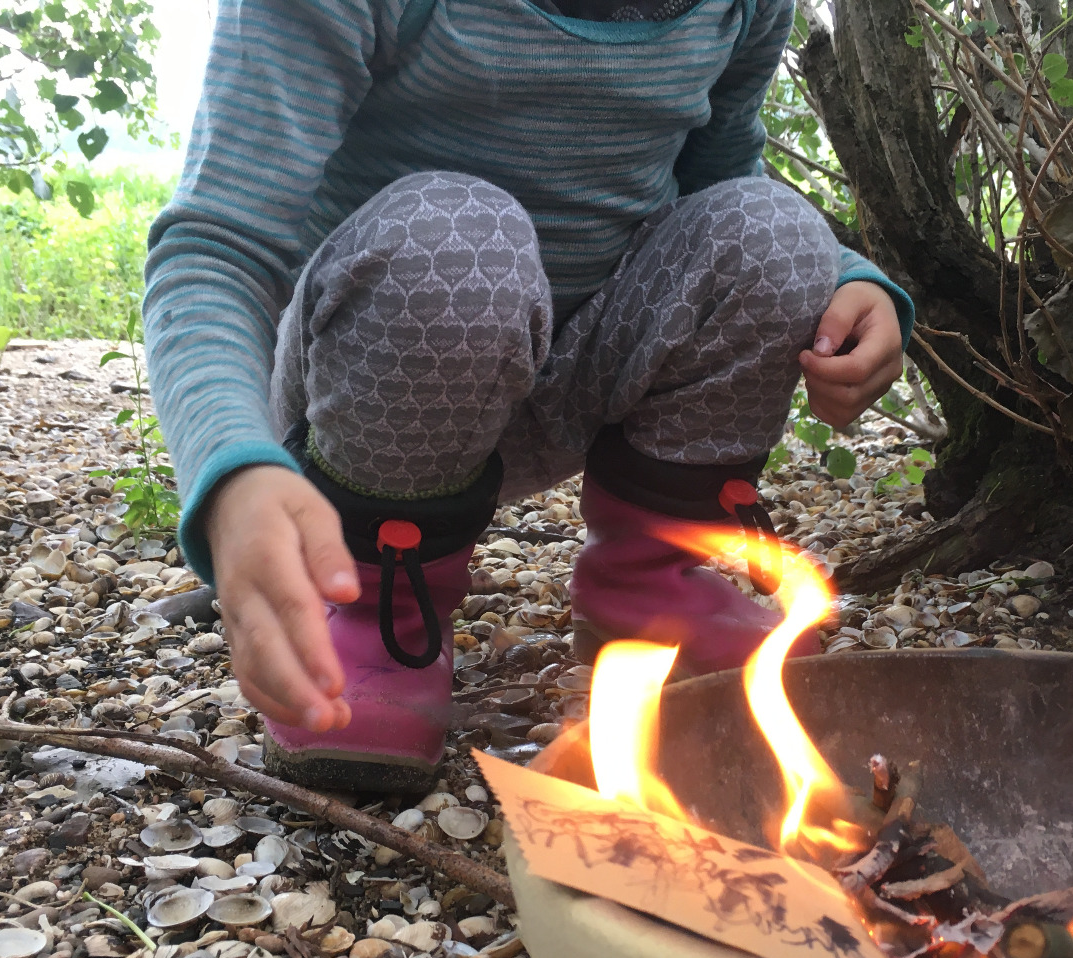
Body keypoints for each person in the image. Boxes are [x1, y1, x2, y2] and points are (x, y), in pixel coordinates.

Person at [143, 0, 914, 792]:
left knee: (779, 232)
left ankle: (652, 576)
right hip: (367, 392)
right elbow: (216, 246)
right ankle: (382, 605)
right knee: (457, 235)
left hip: (584, 368)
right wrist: (233, 469)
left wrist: (844, 278)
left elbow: (720, 189)